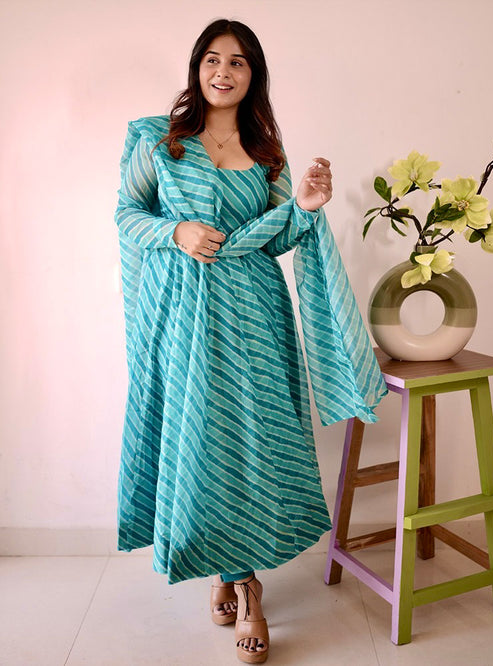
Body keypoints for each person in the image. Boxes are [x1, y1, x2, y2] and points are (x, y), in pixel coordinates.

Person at [115, 18, 386, 664]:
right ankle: (236, 577)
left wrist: (306, 207)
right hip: (182, 315)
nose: (223, 72)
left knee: (251, 443)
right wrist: (177, 231)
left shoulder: (267, 152)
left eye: (237, 62)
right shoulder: (156, 139)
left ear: (253, 75)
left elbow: (279, 237)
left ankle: (244, 582)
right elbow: (126, 215)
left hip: (255, 315)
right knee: (200, 440)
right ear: (196, 68)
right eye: (212, 59)